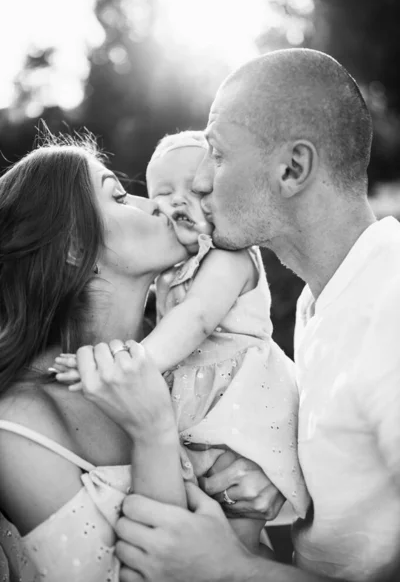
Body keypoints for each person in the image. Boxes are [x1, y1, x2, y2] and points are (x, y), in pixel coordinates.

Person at [114, 48, 400, 582]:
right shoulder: (329, 297)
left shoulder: (392, 310)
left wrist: (228, 568)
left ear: (292, 168)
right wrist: (280, 468)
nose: (201, 179)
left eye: (217, 154)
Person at [55, 129, 309, 551]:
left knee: (236, 530)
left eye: (194, 189)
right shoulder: (168, 275)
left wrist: (128, 364)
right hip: (205, 406)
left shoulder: (231, 255)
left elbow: (196, 318)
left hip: (243, 399)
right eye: (160, 192)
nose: (171, 204)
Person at [0, 133, 192, 581]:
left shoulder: (199, 358)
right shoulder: (18, 428)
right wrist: (154, 434)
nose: (158, 204)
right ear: (73, 246)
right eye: (121, 196)